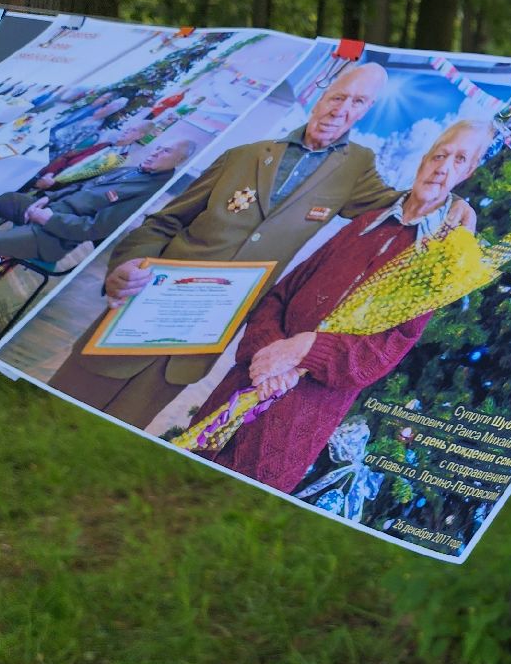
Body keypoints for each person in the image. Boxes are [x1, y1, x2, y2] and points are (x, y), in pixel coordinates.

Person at [48, 61, 471, 430]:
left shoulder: (356, 167)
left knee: (114, 438)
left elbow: (410, 203)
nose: (342, 109)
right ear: (320, 93)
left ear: (366, 112)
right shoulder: (244, 154)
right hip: (138, 316)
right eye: (338, 96)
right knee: (49, 413)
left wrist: (457, 202)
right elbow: (163, 223)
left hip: (194, 343)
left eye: (358, 103)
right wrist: (126, 264)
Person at [185, 121, 492, 492]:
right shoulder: (366, 222)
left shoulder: (438, 258)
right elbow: (280, 296)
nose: (443, 167)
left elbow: (384, 353)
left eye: (459, 160)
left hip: (297, 417)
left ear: (469, 172)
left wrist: (305, 351)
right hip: (247, 380)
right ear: (424, 159)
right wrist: (270, 355)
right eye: (439, 155)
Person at [0, 141, 192, 311]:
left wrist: (48, 218)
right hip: (46, 212)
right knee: (5, 199)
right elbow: (79, 191)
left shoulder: (146, 192)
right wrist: (45, 201)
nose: (155, 151)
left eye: (166, 151)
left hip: (54, 237)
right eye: (158, 148)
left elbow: (94, 229)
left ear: (178, 162)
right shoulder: (130, 170)